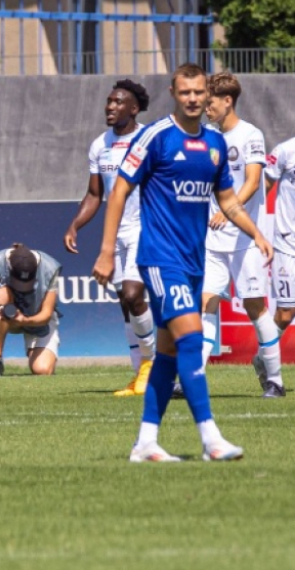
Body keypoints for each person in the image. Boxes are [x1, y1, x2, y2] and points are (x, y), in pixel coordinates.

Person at [93, 63, 273, 462]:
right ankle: (211, 439)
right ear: (174, 93)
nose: (193, 99)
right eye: (185, 92)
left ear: (208, 95)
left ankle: (145, 443)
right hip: (160, 258)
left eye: (198, 93)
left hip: (193, 261)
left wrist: (256, 233)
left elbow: (227, 199)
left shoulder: (214, 145)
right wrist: (107, 251)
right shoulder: (155, 137)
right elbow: (119, 191)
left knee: (169, 353)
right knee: (193, 338)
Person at [64, 80, 157, 396]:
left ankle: (153, 365)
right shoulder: (99, 145)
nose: (110, 106)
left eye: (118, 102)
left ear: (133, 108)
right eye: (108, 101)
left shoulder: (149, 139)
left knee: (133, 295)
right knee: (124, 304)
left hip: (146, 229)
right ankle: (139, 377)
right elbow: (94, 193)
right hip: (114, 232)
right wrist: (75, 225)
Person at [202, 72, 280, 398]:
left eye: (210, 103)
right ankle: (190, 378)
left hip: (245, 239)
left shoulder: (250, 135)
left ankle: (274, 379)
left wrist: (229, 208)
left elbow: (252, 181)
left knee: (254, 306)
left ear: (227, 101)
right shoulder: (205, 135)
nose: (205, 109)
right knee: (205, 303)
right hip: (211, 239)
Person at [0, 244, 62, 376]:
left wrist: (24, 320)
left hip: (37, 321)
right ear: (10, 269)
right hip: (7, 317)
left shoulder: (50, 267)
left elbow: (46, 314)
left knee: (42, 370)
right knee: (1, 295)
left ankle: (42, 356)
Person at [261, 136, 295, 397]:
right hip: (287, 242)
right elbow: (262, 185)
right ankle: (264, 356)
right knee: (286, 312)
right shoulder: (285, 150)